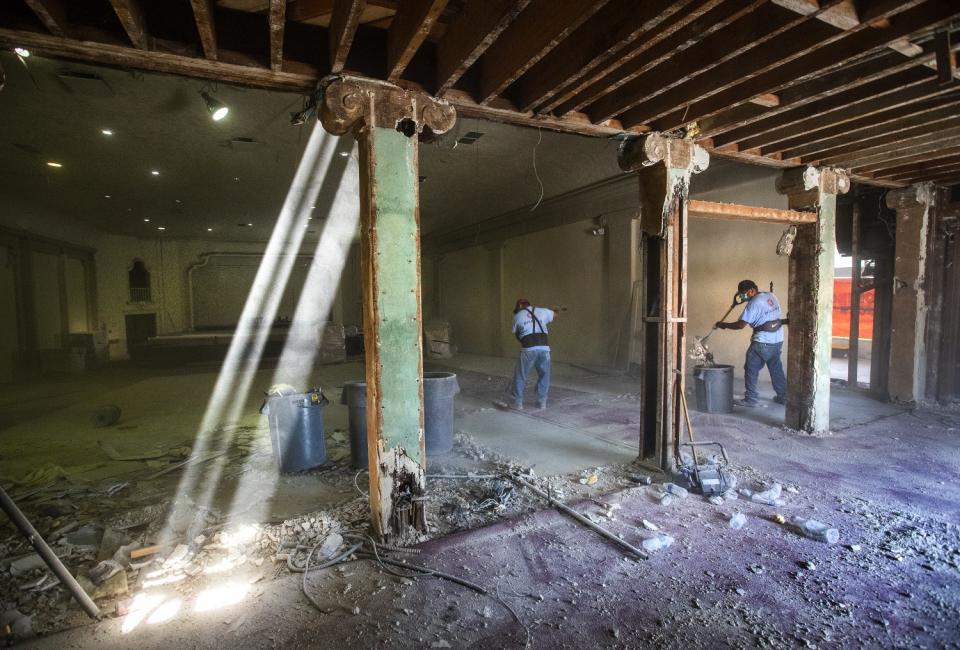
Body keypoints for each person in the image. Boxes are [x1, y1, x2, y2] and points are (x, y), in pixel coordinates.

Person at [714, 280, 788, 407]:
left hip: (762, 342)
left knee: (751, 368)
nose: (742, 296)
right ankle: (783, 397)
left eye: (744, 293)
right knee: (776, 368)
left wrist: (724, 325)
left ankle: (751, 398)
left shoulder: (754, 303)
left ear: (752, 290)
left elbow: (741, 325)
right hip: (777, 339)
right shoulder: (770, 296)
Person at [508, 298, 556, 410]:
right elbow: (555, 315)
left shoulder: (517, 317)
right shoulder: (543, 311)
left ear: (519, 306)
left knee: (521, 375)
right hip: (544, 348)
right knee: (544, 374)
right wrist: (554, 311)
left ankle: (517, 402)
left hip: (528, 349)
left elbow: (517, 334)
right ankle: (541, 402)